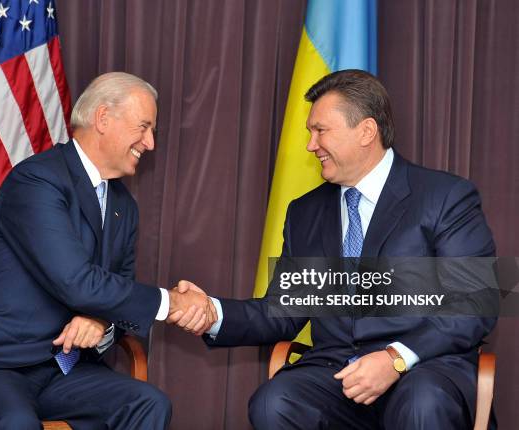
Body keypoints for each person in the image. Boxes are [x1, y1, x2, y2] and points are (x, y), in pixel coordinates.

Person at [170, 69, 497, 429]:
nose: (311, 144)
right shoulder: (305, 212)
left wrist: (395, 359)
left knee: (423, 402)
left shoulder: (445, 197)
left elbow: (475, 304)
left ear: (366, 131)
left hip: (422, 367)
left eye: (320, 131)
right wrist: (212, 313)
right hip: (335, 373)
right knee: (275, 402)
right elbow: (283, 311)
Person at [0, 72, 210, 429]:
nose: (150, 143)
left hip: (63, 368)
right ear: (103, 118)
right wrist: (171, 304)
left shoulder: (124, 206)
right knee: (17, 423)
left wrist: (101, 321)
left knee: (148, 404)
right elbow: (76, 281)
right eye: (144, 127)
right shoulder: (37, 181)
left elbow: (117, 294)